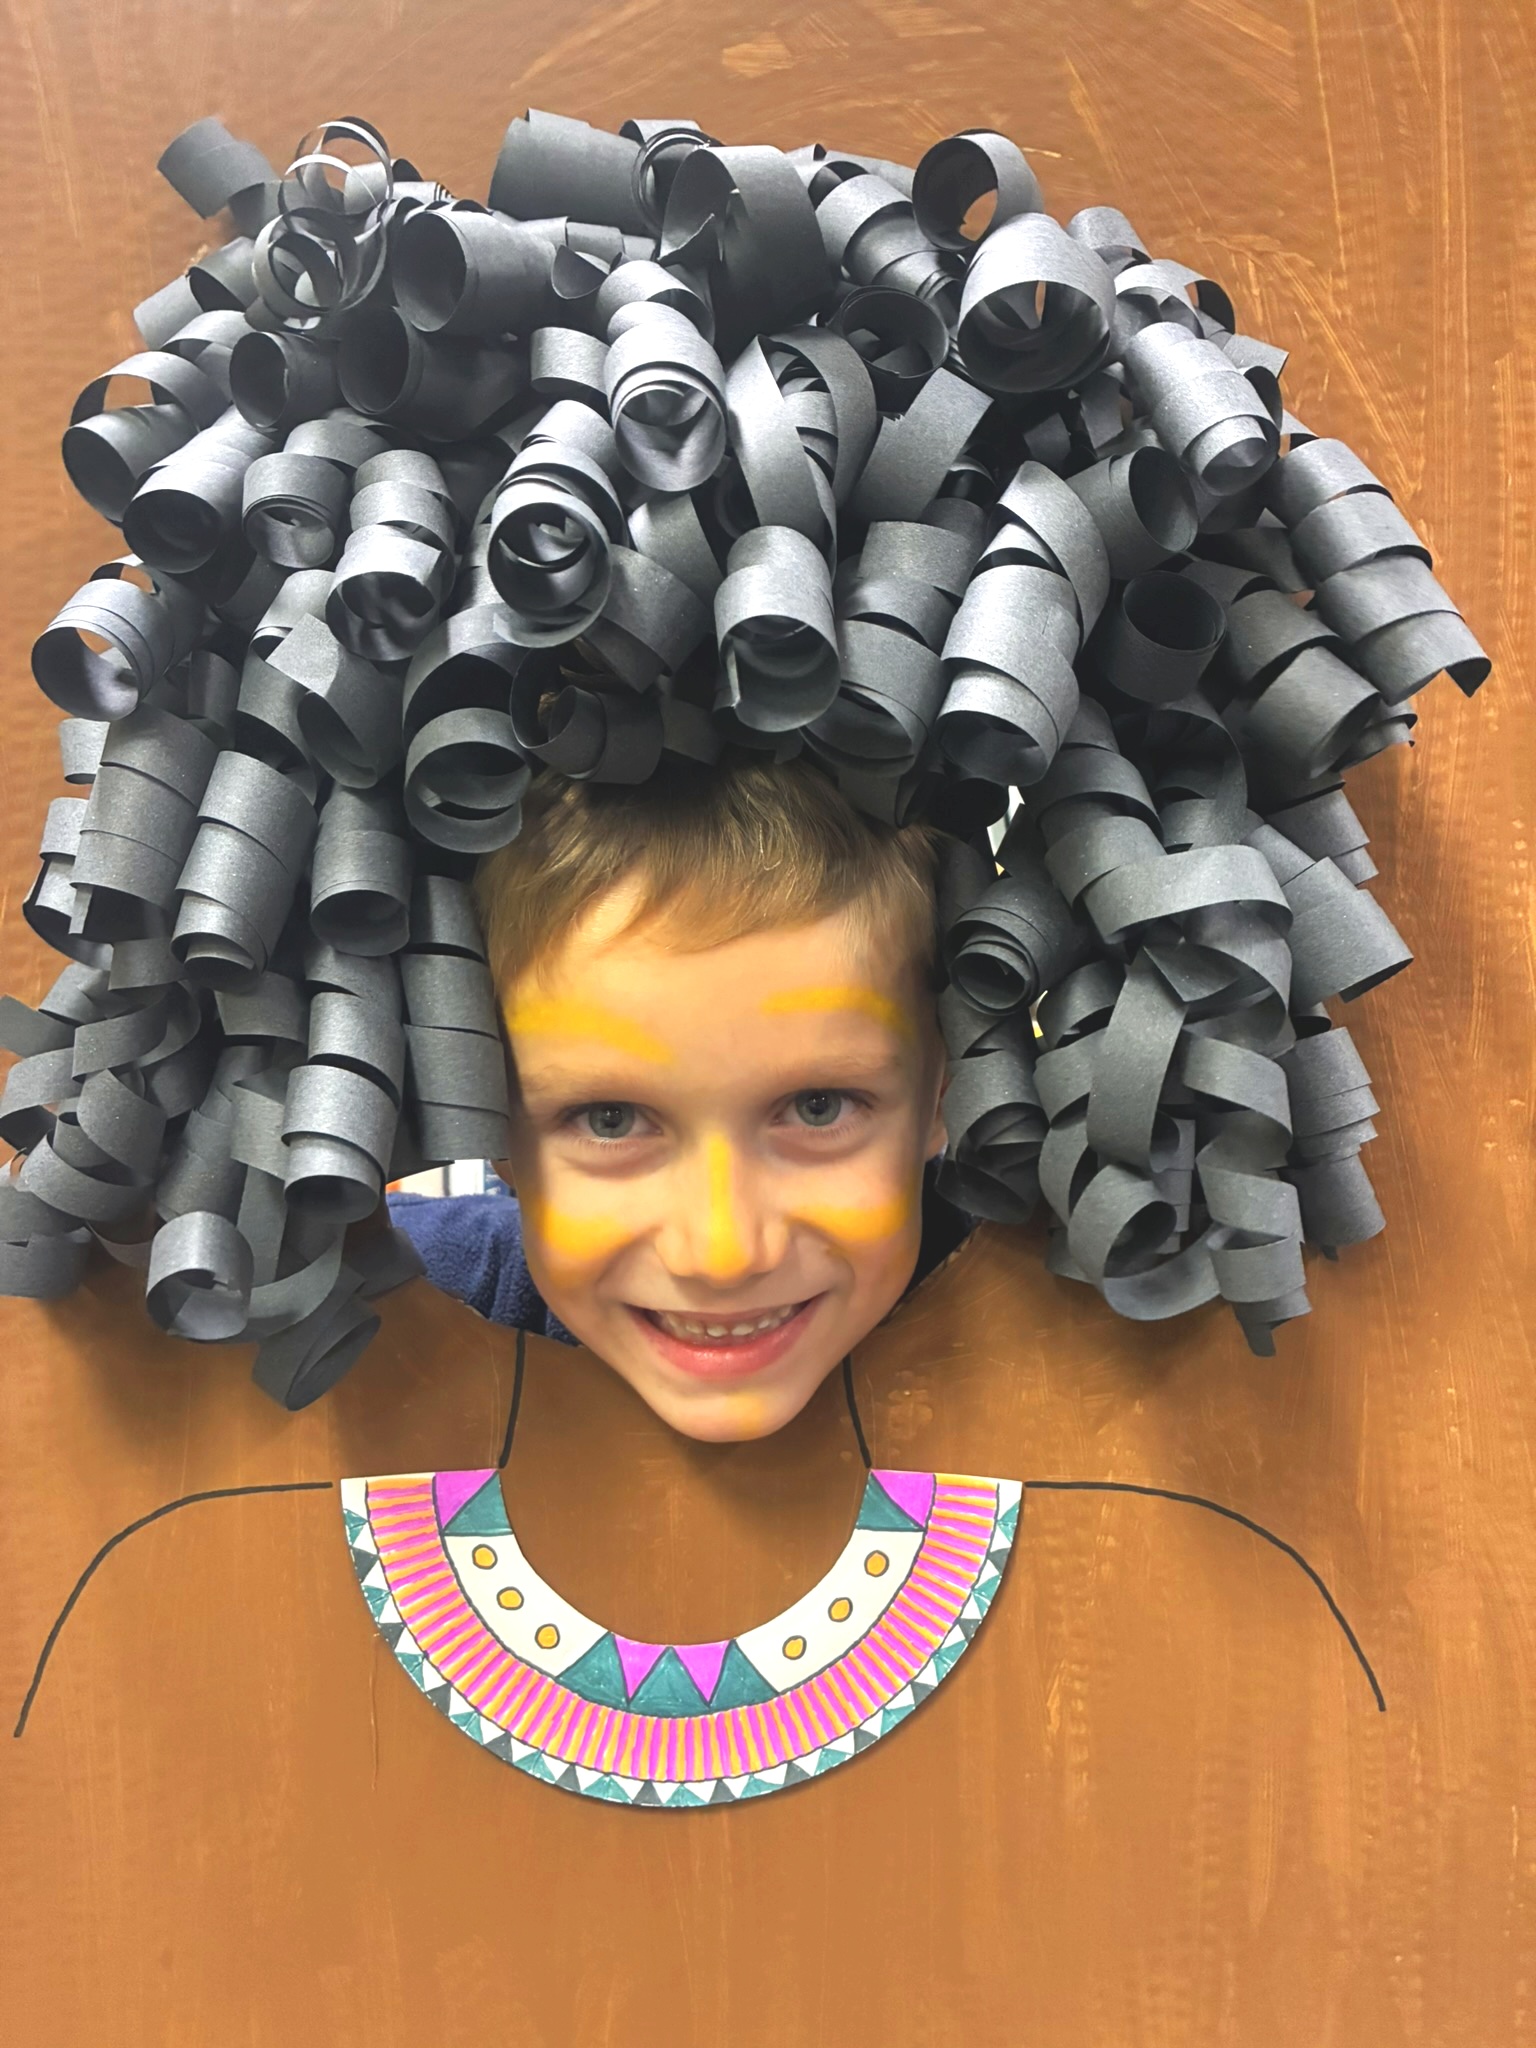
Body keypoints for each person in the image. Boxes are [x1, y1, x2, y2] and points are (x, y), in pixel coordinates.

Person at [390, 752, 977, 1439]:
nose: (722, 1255)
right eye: (609, 1120)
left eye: (818, 1106)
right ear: (487, 1122)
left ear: (944, 1094)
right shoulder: (426, 1287)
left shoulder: (1054, 1319)